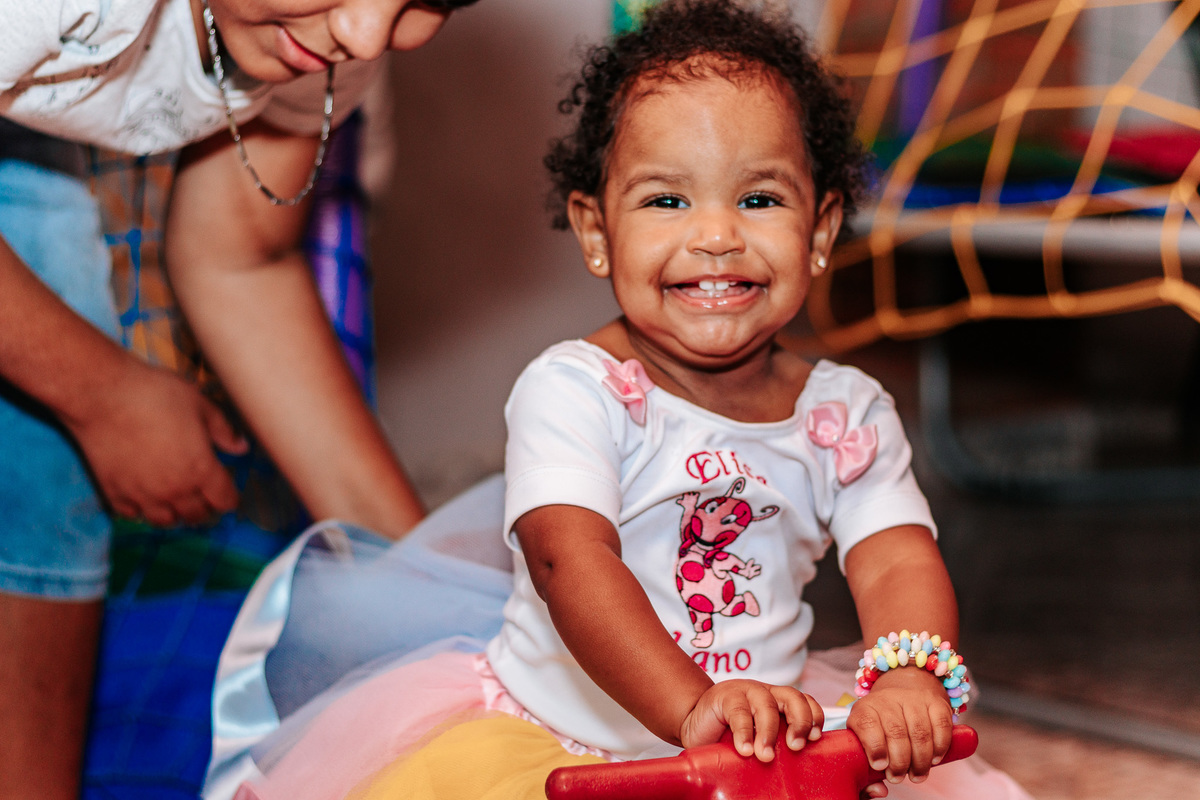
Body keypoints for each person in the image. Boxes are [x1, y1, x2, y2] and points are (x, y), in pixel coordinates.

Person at [214, 2, 1033, 798]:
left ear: (819, 232)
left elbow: (895, 557)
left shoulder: (845, 413)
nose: (716, 236)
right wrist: (692, 707)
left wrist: (908, 672)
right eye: (666, 200)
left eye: (759, 199)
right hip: (561, 744)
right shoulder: (575, 390)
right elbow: (570, 561)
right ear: (597, 232)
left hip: (763, 744)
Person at [0, 1, 481, 798]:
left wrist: (435, 595)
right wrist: (105, 396)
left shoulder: (333, 39)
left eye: (422, 2)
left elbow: (240, 261)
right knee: (51, 366)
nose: (365, 35)